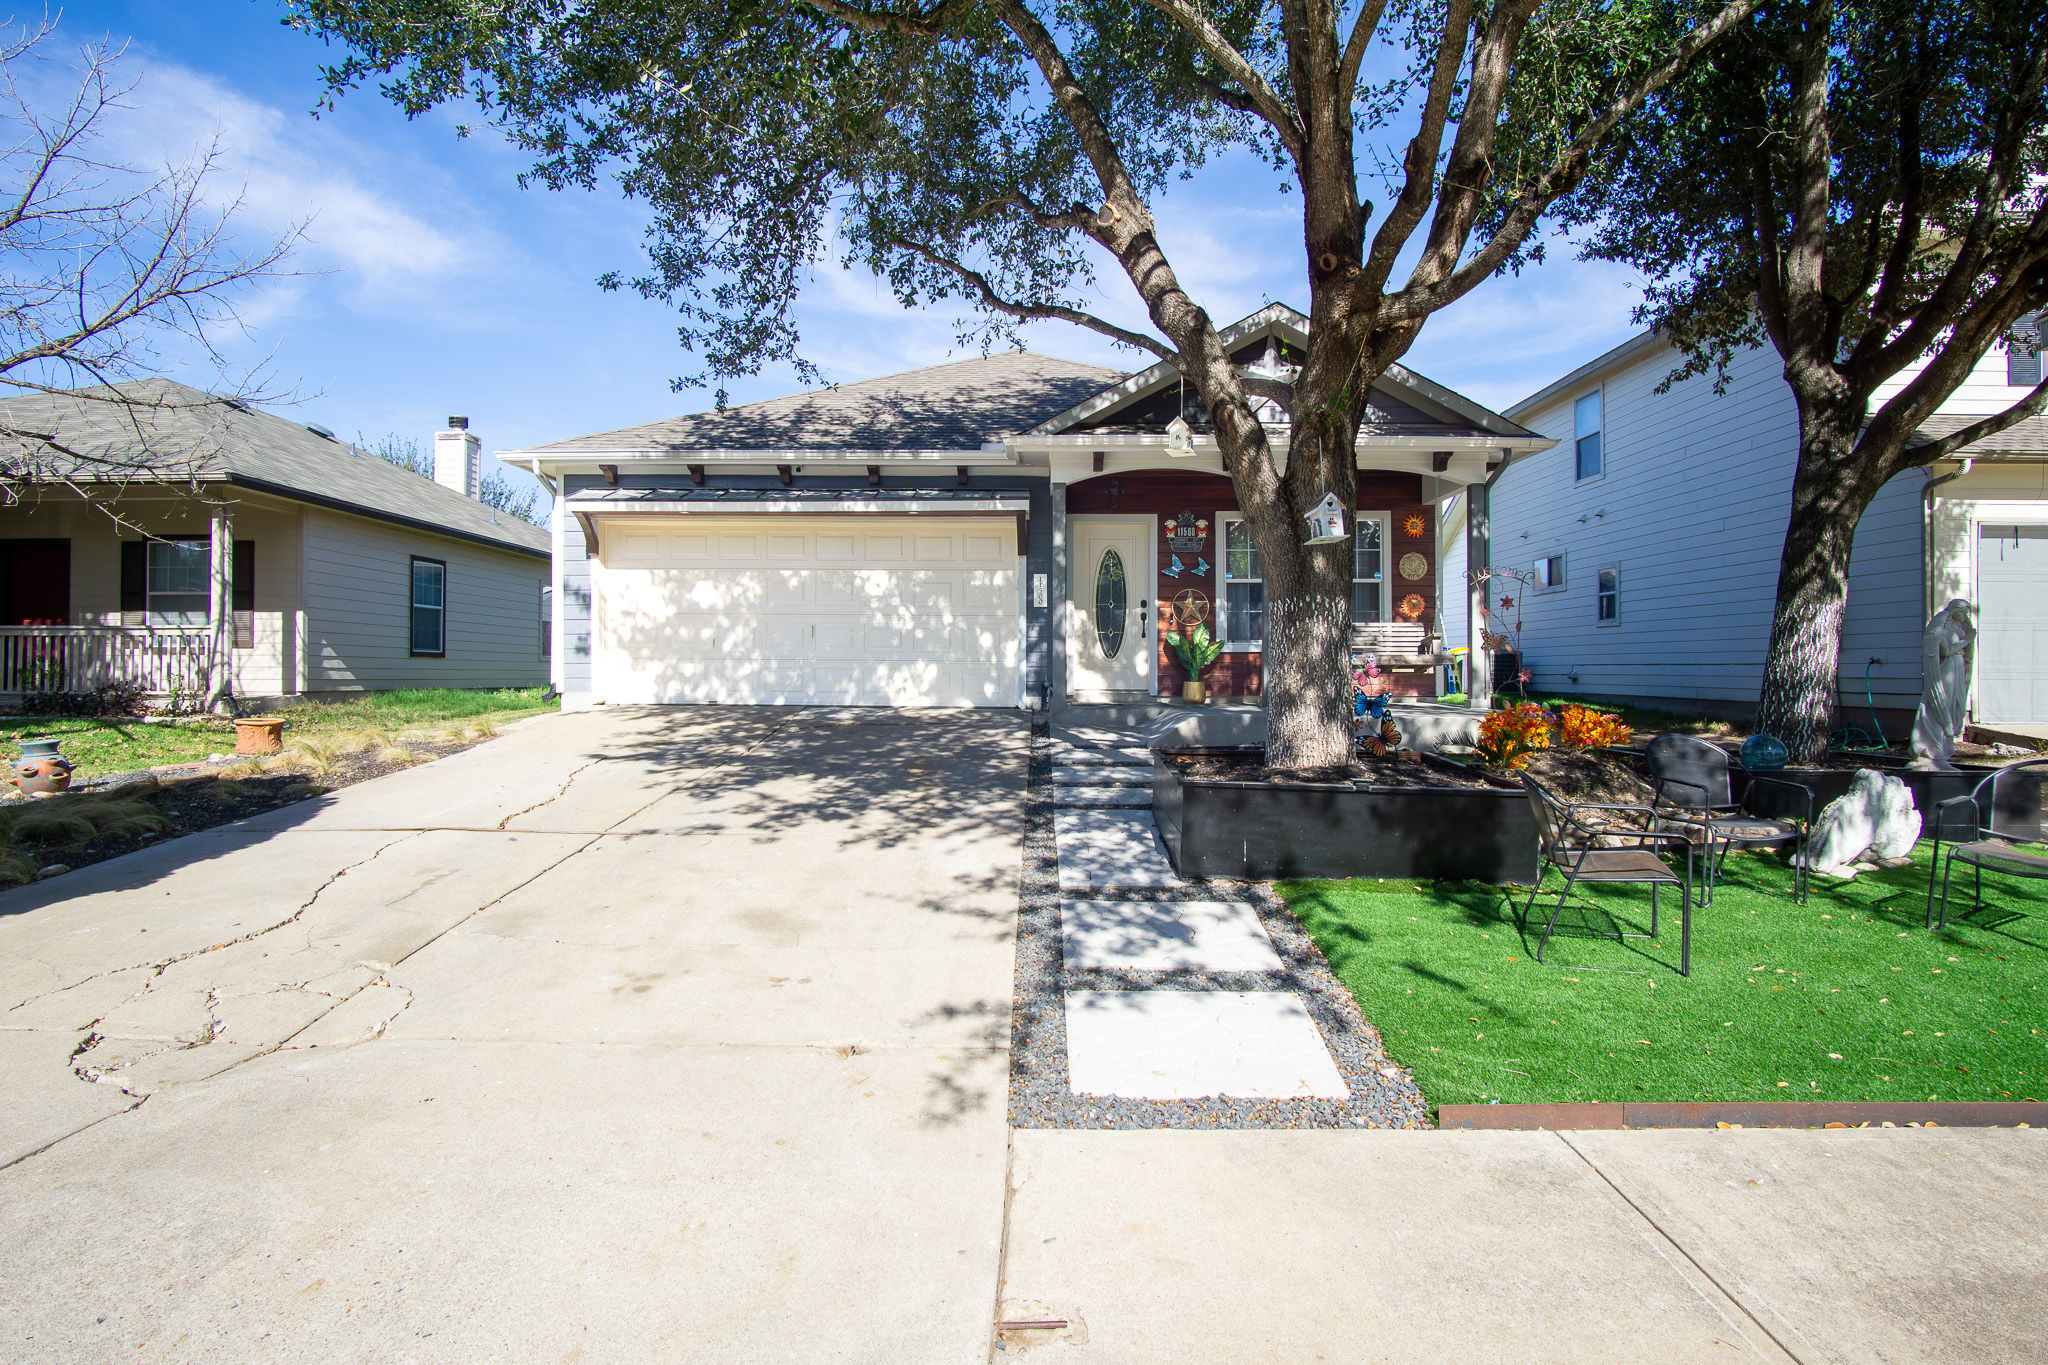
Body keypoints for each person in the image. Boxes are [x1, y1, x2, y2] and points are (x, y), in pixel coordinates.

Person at [1908, 598, 1976, 770]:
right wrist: (1967, 640)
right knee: (1939, 703)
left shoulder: (1960, 629)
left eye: (1966, 612)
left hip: (1959, 669)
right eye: (1962, 611)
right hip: (1946, 670)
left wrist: (1970, 642)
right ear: (1953, 611)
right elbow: (1945, 651)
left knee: (1954, 706)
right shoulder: (1944, 629)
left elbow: (1968, 655)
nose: (1965, 615)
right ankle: (1930, 750)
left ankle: (1943, 751)